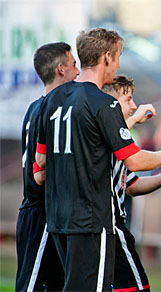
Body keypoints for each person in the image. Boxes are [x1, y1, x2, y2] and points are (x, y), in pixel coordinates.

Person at [33, 28, 161, 291]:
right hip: (91, 222)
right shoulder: (105, 104)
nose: (117, 64)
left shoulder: (53, 99)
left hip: (58, 219)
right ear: (107, 57)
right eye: (118, 57)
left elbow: (40, 161)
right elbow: (134, 162)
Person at [102, 75, 161, 291]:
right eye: (128, 99)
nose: (134, 105)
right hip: (108, 227)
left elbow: (132, 185)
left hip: (108, 228)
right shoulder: (106, 134)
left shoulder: (117, 137)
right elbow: (136, 160)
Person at [16, 42, 79, 292]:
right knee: (32, 286)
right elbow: (40, 172)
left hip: (44, 211)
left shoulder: (35, 107)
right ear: (61, 69)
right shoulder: (52, 110)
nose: (78, 72)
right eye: (74, 65)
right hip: (41, 211)